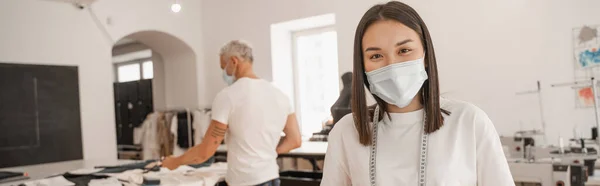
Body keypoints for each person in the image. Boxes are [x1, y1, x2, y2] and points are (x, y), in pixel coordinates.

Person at [320, 2, 514, 186]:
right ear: (363, 66)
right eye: (376, 56)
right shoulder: (346, 132)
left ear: (426, 56)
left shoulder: (469, 122)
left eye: (404, 50)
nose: (392, 66)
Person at [162, 40, 302, 186]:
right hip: (271, 177)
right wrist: (267, 154)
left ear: (234, 62)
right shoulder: (280, 95)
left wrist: (174, 162)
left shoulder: (228, 96)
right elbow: (295, 140)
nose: (224, 73)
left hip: (245, 181)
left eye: (223, 67)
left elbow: (205, 152)